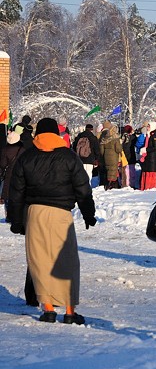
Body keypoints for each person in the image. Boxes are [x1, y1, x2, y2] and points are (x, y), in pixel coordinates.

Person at [7, 117, 96, 324]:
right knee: (67, 260)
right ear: (57, 133)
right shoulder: (69, 156)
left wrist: (16, 220)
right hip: (61, 214)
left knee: (40, 261)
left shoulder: (27, 157)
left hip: (35, 213)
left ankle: (47, 308)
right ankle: (70, 311)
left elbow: (16, 192)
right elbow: (82, 188)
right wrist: (88, 213)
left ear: (37, 134)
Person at [0, 130, 36, 306]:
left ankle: (10, 215)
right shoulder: (25, 151)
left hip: (10, 180)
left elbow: (2, 165)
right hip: (23, 181)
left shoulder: (6, 150)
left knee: (9, 196)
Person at [99, 123, 123, 190]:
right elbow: (118, 149)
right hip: (114, 157)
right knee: (113, 170)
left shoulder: (104, 138)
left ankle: (107, 184)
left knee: (108, 170)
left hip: (106, 157)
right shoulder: (116, 139)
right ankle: (112, 185)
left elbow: (101, 150)